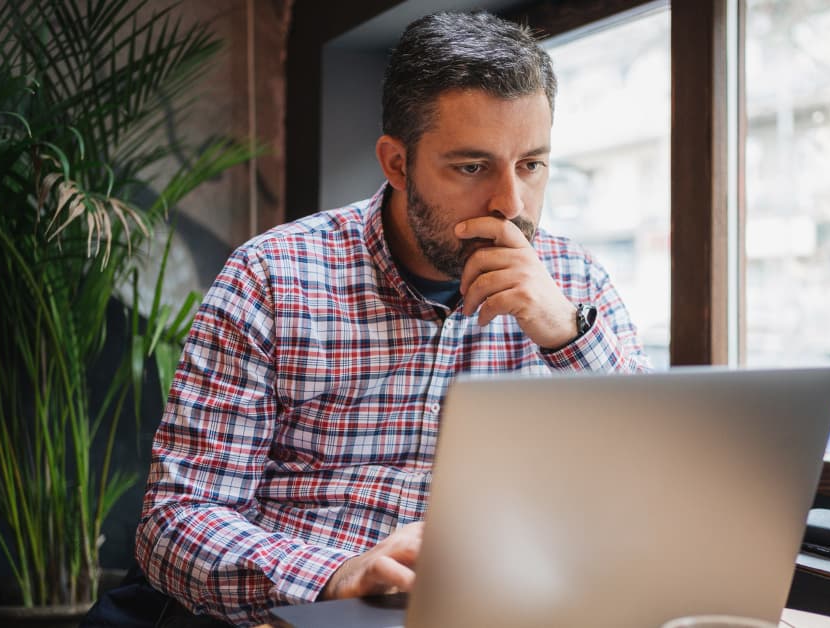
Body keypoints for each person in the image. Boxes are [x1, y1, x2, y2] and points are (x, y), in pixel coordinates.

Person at [120, 10, 650, 627]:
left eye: (531, 164)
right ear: (396, 164)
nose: (511, 202)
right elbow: (175, 521)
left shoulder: (577, 285)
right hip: (308, 608)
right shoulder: (272, 277)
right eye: (472, 167)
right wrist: (334, 578)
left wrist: (569, 336)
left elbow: (649, 489)